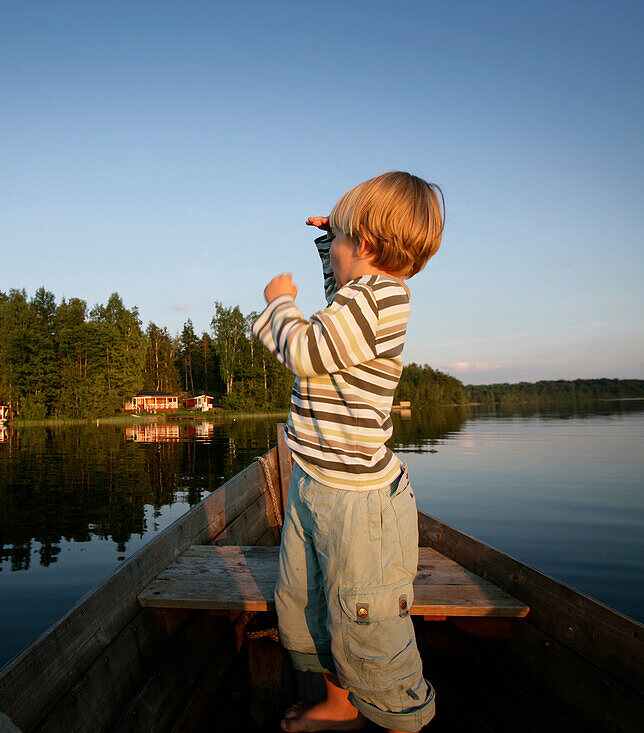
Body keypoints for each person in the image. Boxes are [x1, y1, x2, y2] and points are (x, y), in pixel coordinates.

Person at [251, 171, 443, 732]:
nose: (331, 250)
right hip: (314, 481)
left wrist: (281, 304)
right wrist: (330, 234)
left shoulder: (384, 299)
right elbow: (341, 290)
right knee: (311, 604)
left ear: (367, 245)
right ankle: (341, 705)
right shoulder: (362, 296)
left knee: (368, 619)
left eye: (338, 239)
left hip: (357, 504)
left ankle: (404, 719)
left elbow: (307, 350)